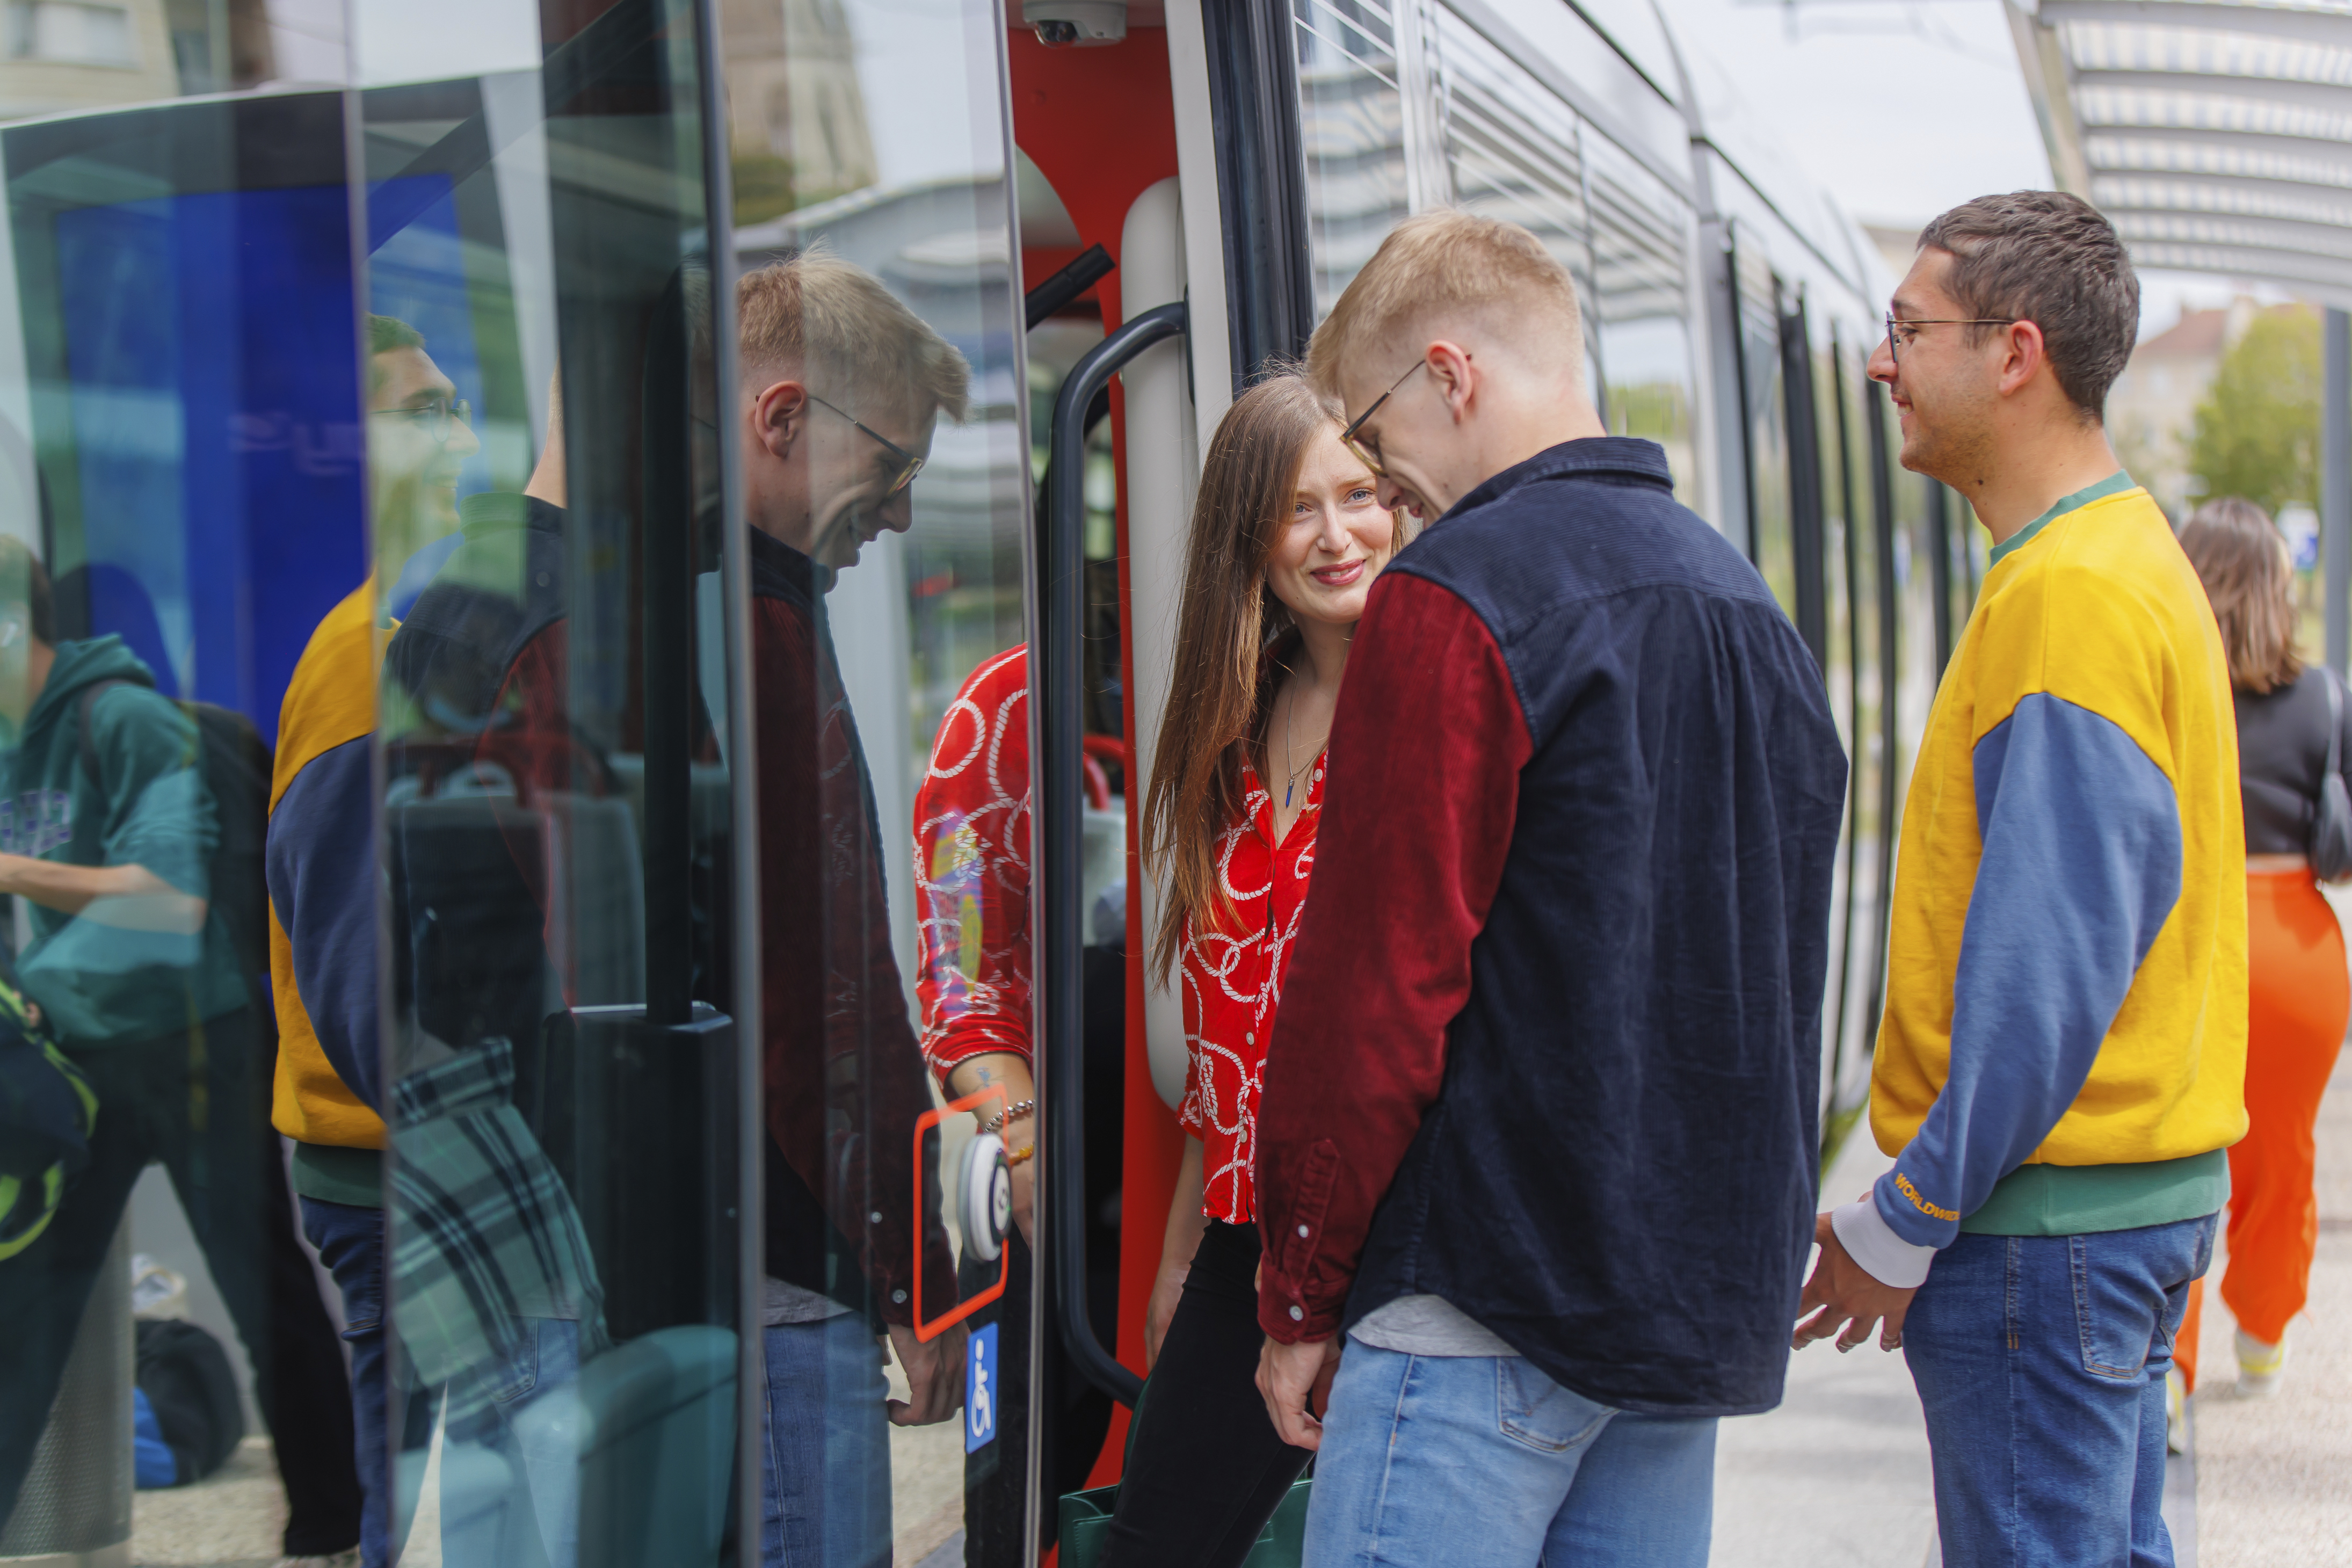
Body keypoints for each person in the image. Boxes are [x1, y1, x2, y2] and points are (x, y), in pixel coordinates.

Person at [1249, 211, 1848, 1566]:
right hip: (1672, 1325)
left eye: (1381, 444)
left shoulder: (1452, 597)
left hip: (1480, 1300)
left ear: (1450, 376)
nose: (1388, 490)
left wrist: (1299, 1287)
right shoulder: (1752, 611)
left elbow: (1376, 985)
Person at [1794, 193, 2243, 1567]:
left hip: (2045, 1228)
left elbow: (2047, 966)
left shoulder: (2071, 597)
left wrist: (1906, 1213)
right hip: (2112, 1207)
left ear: (2016, 353)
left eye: (1908, 328)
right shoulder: (2112, 557)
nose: (1882, 363)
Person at [1091, 374, 1395, 1565]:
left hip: (1387, 1240)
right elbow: (1229, 1053)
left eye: (1361, 494)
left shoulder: (1425, 705)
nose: (1338, 534)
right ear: (1245, 538)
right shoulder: (1230, 730)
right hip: (1240, 1237)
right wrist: (1178, 1256)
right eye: (1298, 506)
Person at [0, 539, 342, 1554]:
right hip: (91, 1057)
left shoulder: (125, 718)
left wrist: (11, 869)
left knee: (262, 1292)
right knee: (26, 1308)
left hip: (199, 1053)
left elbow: (171, 899)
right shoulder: (14, 742)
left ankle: (338, 1522)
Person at [732, 248, 966, 1567]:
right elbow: (823, 997)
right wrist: (910, 1273)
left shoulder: (726, 603)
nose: (898, 519)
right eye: (891, 471)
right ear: (781, 421)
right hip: (788, 1272)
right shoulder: (756, 630)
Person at [2173, 497, 2346, 1408]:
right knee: (2282, 1155)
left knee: (2178, 1155)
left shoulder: (2168, 680)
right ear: (2279, 586)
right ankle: (2266, 1330)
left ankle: (2170, 1368)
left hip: (2195, 937)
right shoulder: (2322, 695)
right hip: (2297, 949)